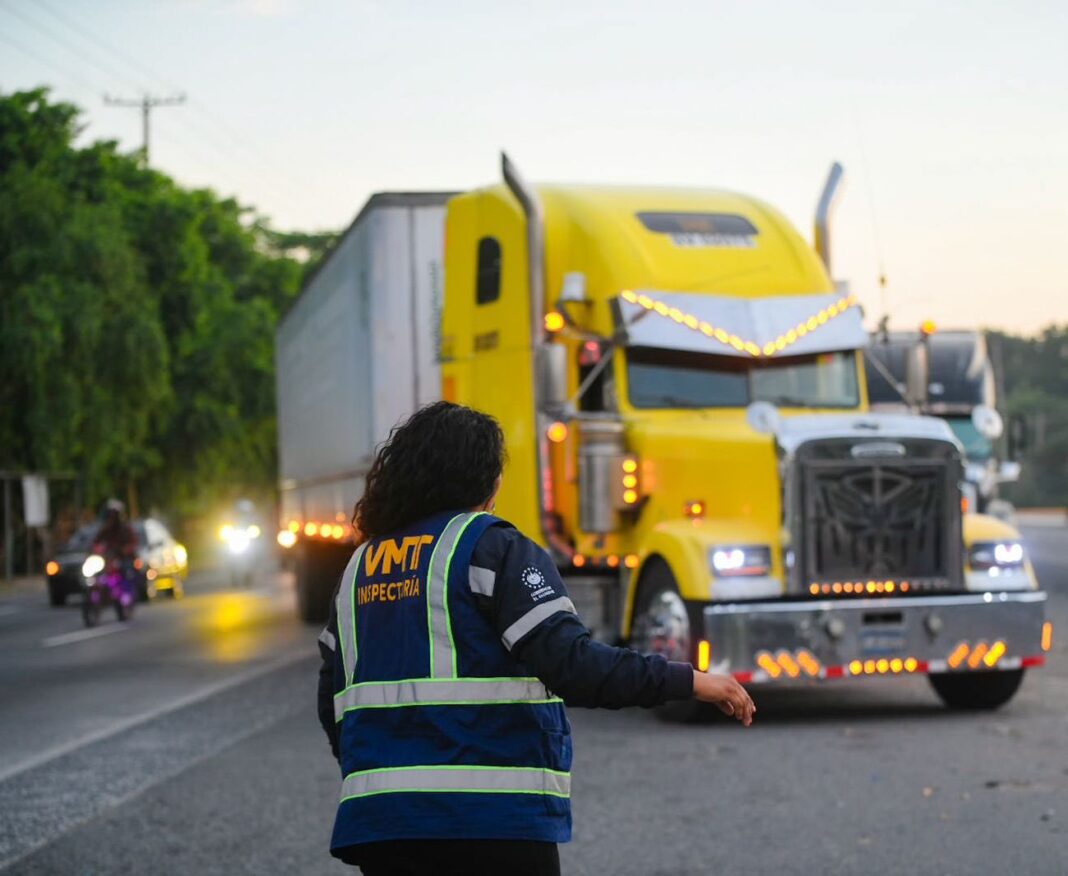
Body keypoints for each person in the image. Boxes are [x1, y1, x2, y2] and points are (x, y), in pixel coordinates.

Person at [317, 402, 755, 875]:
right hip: (491, 822)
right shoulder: (490, 547)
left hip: (382, 827)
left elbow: (332, 700)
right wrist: (689, 680)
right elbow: (573, 665)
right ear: (486, 481)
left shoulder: (358, 569)